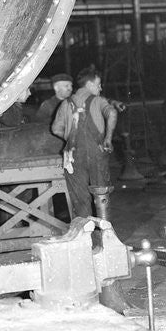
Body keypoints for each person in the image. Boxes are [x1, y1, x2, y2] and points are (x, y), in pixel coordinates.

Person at [52, 65, 118, 219]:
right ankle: (104, 233)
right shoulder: (98, 100)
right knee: (101, 193)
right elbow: (113, 113)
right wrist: (108, 138)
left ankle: (85, 234)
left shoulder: (65, 103)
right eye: (98, 84)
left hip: (73, 155)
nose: (100, 88)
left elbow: (55, 129)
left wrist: (71, 138)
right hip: (97, 151)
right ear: (89, 85)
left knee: (80, 197)